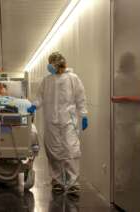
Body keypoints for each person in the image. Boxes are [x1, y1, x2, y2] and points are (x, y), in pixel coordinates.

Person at [27, 52, 88, 194]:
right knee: (53, 151)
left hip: (68, 121)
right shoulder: (47, 80)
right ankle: (57, 181)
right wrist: (34, 105)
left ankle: (73, 183)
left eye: (51, 62)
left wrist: (83, 114)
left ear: (57, 63)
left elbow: (80, 97)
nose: (49, 65)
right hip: (51, 121)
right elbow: (40, 97)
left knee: (71, 150)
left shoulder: (72, 78)